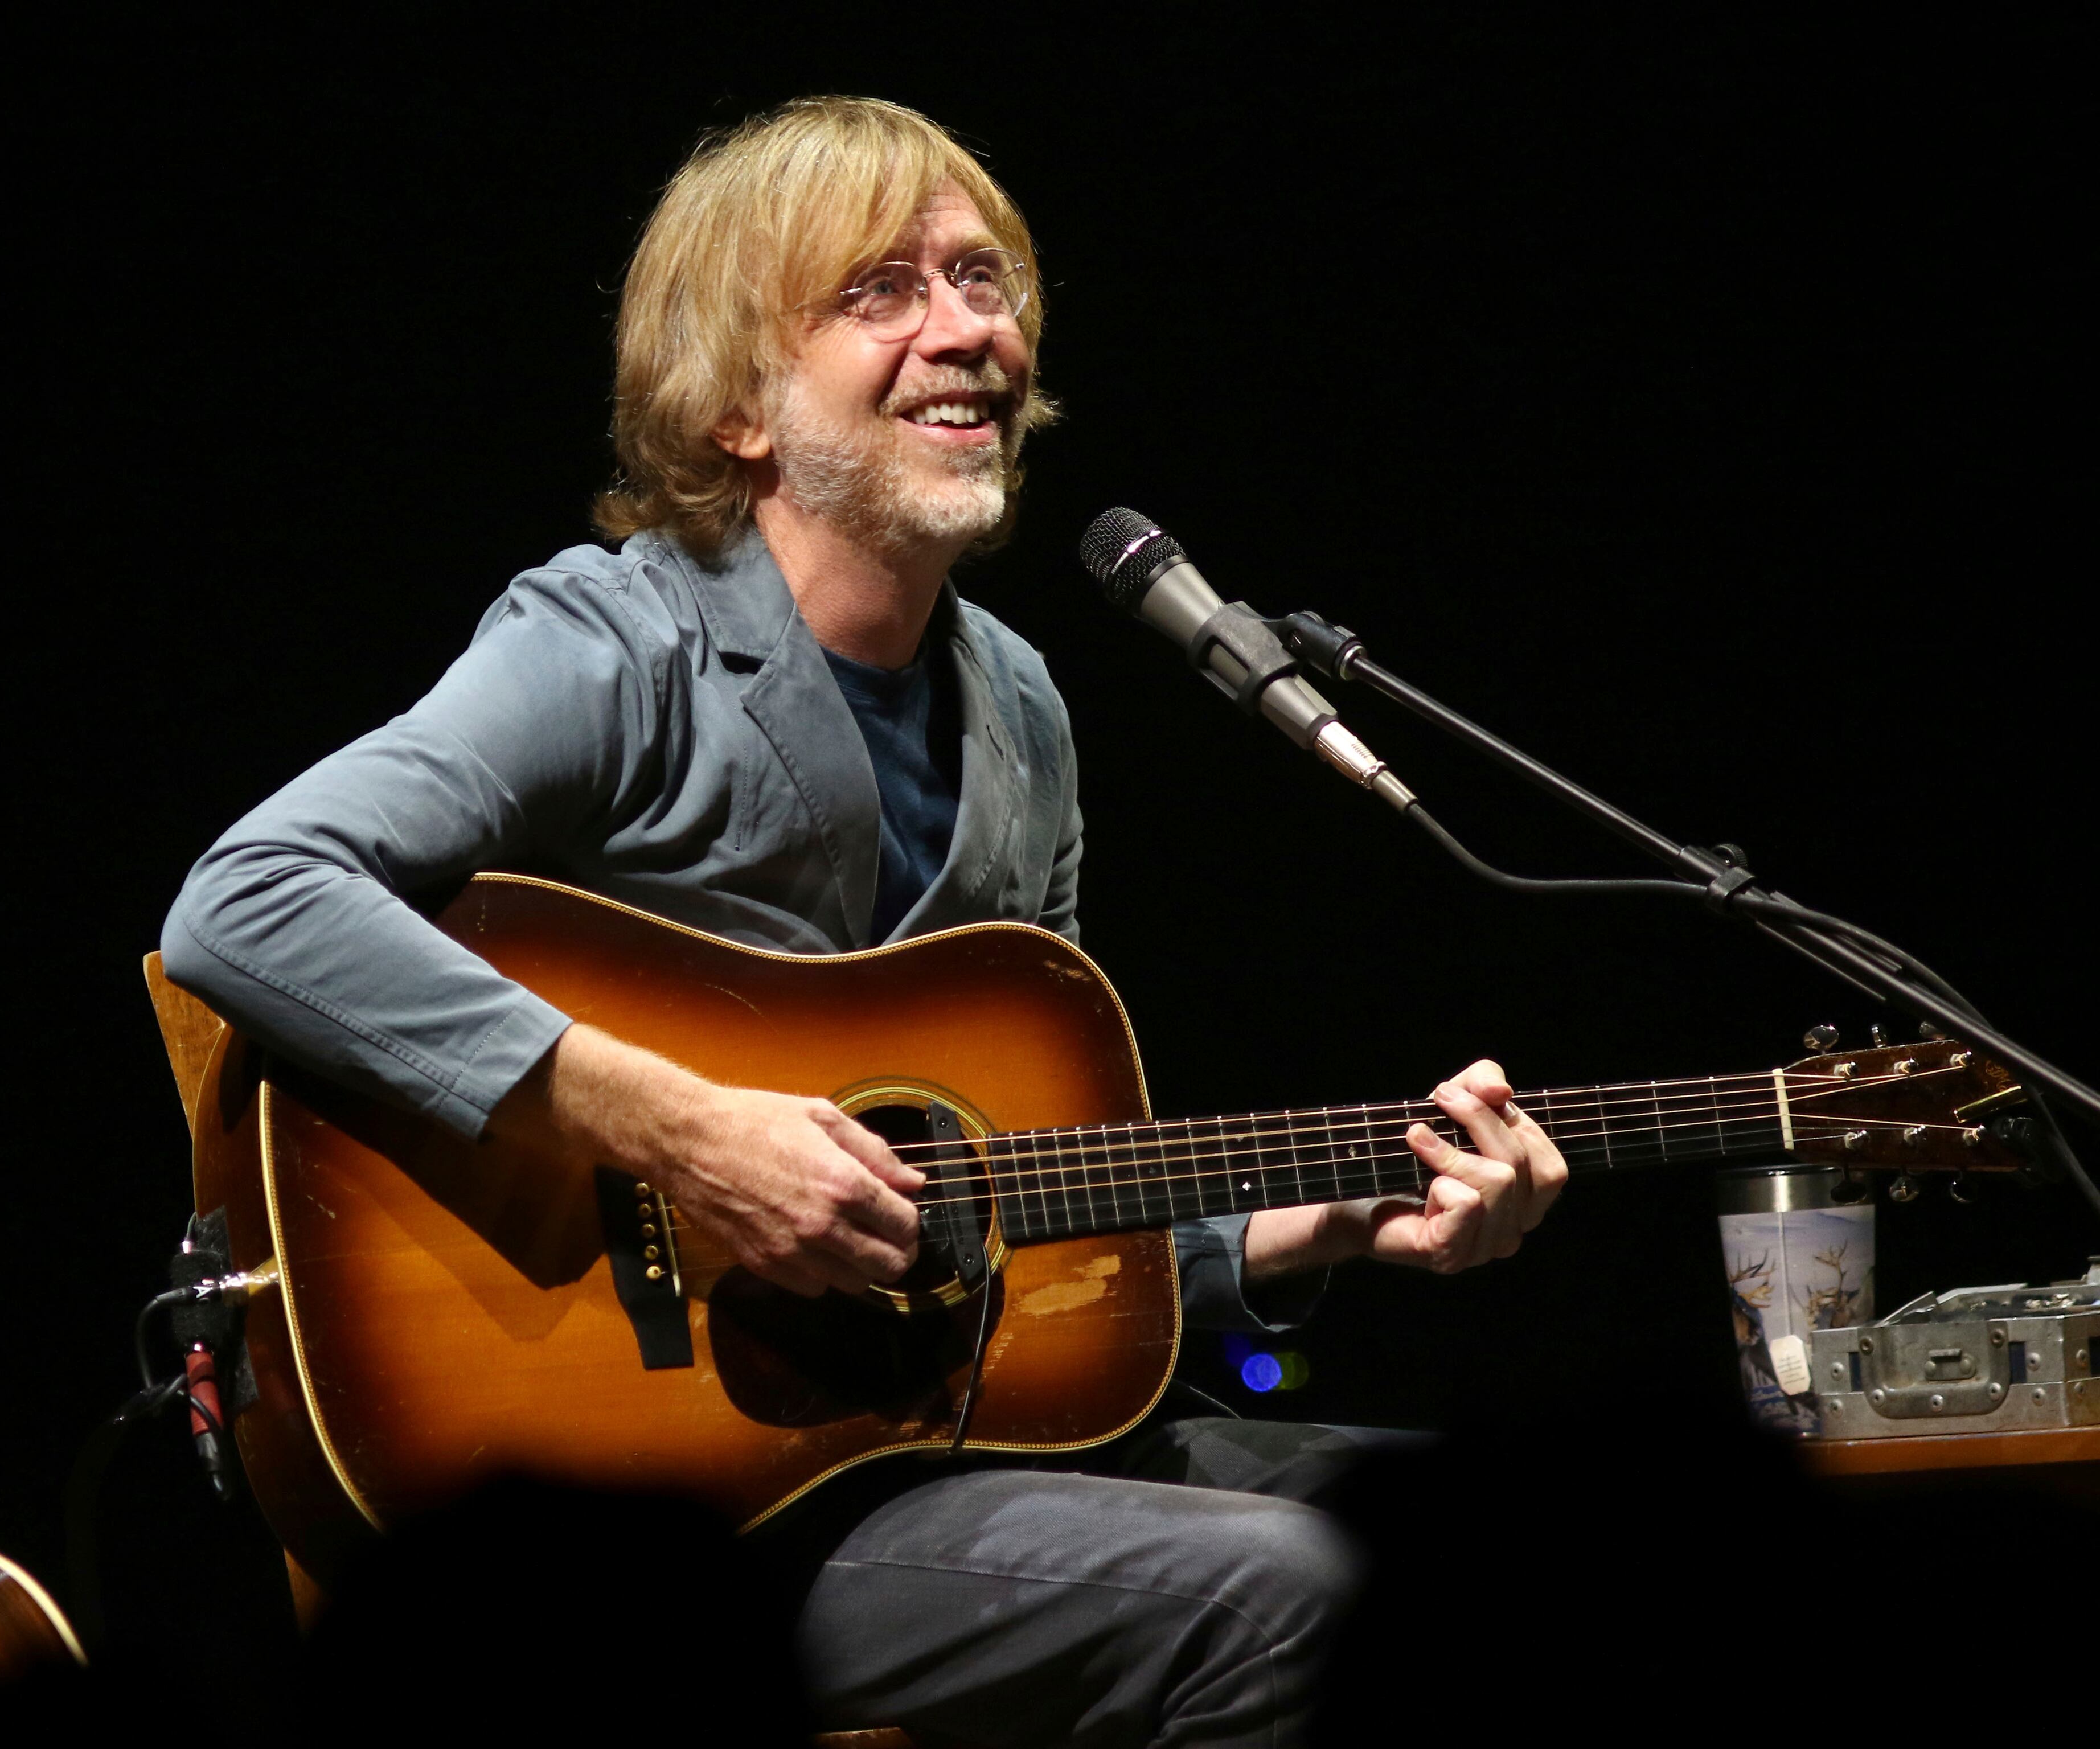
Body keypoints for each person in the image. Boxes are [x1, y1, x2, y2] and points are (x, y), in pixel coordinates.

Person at [163, 96, 1568, 1747]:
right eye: (879, 294)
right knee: (1295, 1604)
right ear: (740, 406)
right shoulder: (618, 646)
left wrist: (1324, 1229)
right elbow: (246, 899)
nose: (968, 328)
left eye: (984, 279)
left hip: (923, 1453)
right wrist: (683, 1129)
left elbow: (1024, 1228)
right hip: (653, 1515)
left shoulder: (1024, 710)